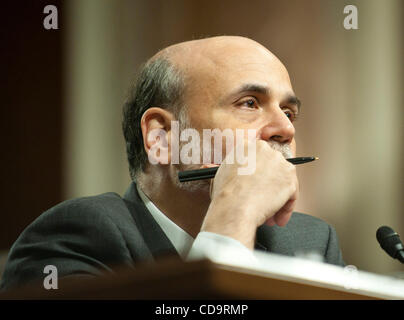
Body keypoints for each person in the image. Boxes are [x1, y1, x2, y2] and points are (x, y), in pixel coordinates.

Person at [0, 36, 345, 291]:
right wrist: (233, 214)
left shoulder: (310, 240)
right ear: (162, 137)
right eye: (250, 103)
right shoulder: (78, 236)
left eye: (288, 112)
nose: (285, 128)